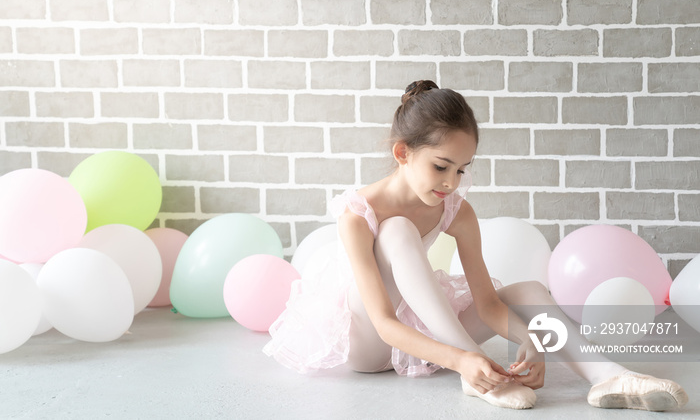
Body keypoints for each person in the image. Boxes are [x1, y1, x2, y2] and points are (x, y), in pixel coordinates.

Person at [263, 80, 688, 411]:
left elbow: (487, 305)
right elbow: (384, 321)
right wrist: (464, 359)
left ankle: (608, 376)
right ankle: (477, 373)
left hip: (427, 331)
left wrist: (531, 338)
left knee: (530, 292)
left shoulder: (456, 211)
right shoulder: (358, 214)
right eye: (441, 166)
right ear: (402, 153)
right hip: (371, 342)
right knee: (396, 230)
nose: (451, 182)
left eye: (462, 170)